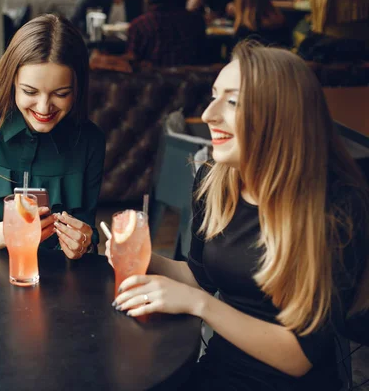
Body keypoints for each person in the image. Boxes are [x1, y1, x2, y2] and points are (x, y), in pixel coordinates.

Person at [107, 41, 369, 390]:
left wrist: (201, 306)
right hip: (219, 373)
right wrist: (142, 257)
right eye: (214, 96)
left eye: (231, 101)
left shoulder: (335, 209)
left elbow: (299, 357)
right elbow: (202, 278)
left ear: (279, 115)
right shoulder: (215, 182)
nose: (209, 114)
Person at [0, 14, 106, 260]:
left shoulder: (90, 141)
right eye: (30, 91)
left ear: (77, 89)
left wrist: (83, 244)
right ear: (12, 80)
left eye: (61, 93)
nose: (44, 108)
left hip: (55, 288)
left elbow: (86, 235)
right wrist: (10, 232)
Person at [126, 0, 207, 67]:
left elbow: (131, 64)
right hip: (190, 79)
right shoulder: (196, 21)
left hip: (150, 80)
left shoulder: (140, 25)